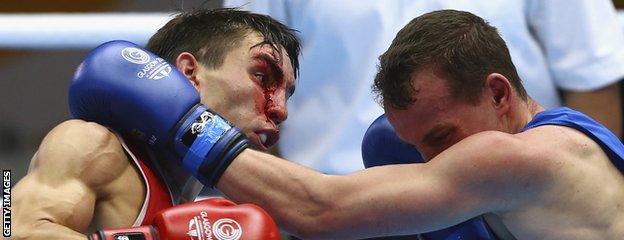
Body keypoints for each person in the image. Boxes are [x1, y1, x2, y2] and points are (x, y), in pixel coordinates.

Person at [223, 0, 624, 176]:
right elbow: (243, 77)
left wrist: (578, 181)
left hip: (509, 199)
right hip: (333, 198)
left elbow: (591, 76)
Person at [12, 8, 300, 239]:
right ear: (189, 72)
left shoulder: (212, 215)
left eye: (287, 93)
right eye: (262, 77)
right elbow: (13, 230)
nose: (280, 110)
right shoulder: (93, 146)